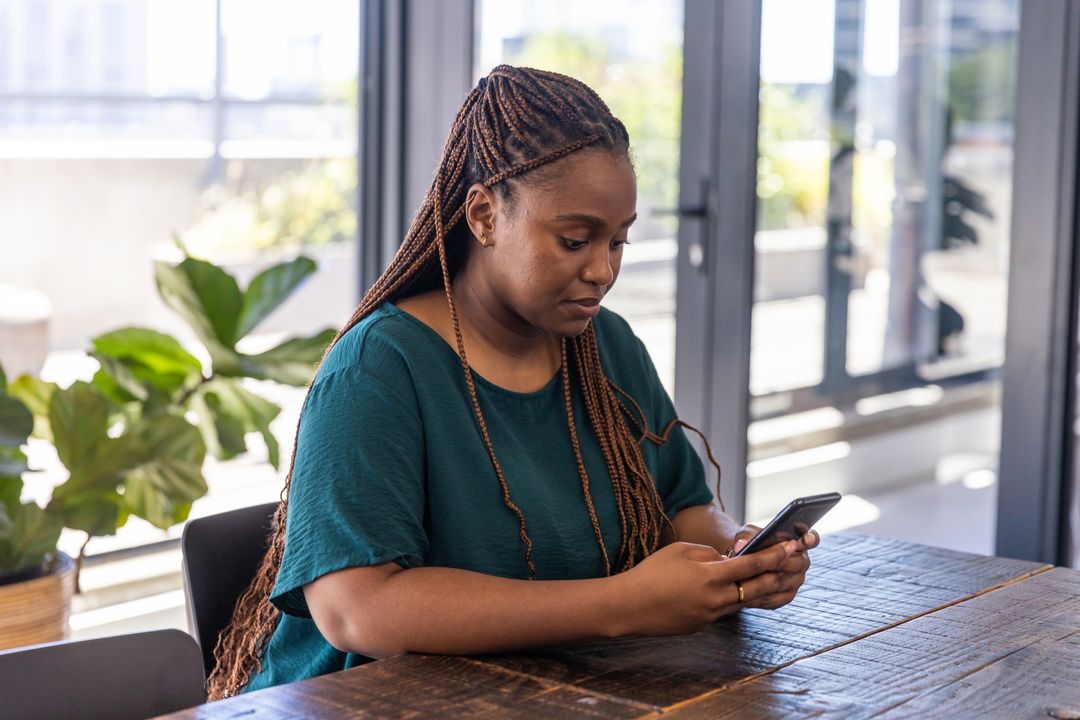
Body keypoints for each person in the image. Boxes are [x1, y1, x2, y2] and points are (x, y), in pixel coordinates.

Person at [208, 65, 818, 700]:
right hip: (365, 704)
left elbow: (680, 510)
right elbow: (358, 609)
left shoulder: (606, 346)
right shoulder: (378, 369)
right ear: (483, 215)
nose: (603, 270)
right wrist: (621, 604)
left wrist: (741, 554)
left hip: (548, 691)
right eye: (575, 239)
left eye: (618, 241)